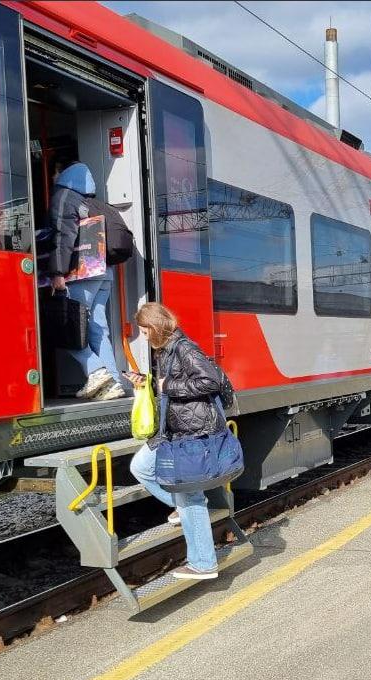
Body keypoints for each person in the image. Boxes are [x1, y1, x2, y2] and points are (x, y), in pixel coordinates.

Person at [127, 302, 225, 579]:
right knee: (141, 468)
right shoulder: (166, 350)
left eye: (145, 331)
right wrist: (145, 382)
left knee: (190, 496)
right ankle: (181, 507)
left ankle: (204, 563)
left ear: (156, 328)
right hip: (172, 430)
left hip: (191, 432)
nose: (143, 337)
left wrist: (167, 386)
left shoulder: (184, 348)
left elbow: (210, 381)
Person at [47, 160, 125, 401]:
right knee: (97, 329)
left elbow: (63, 236)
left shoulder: (63, 197)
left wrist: (57, 272)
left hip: (81, 275)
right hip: (104, 274)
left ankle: (96, 370)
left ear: (63, 176)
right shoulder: (94, 203)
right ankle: (114, 382)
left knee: (67, 326)